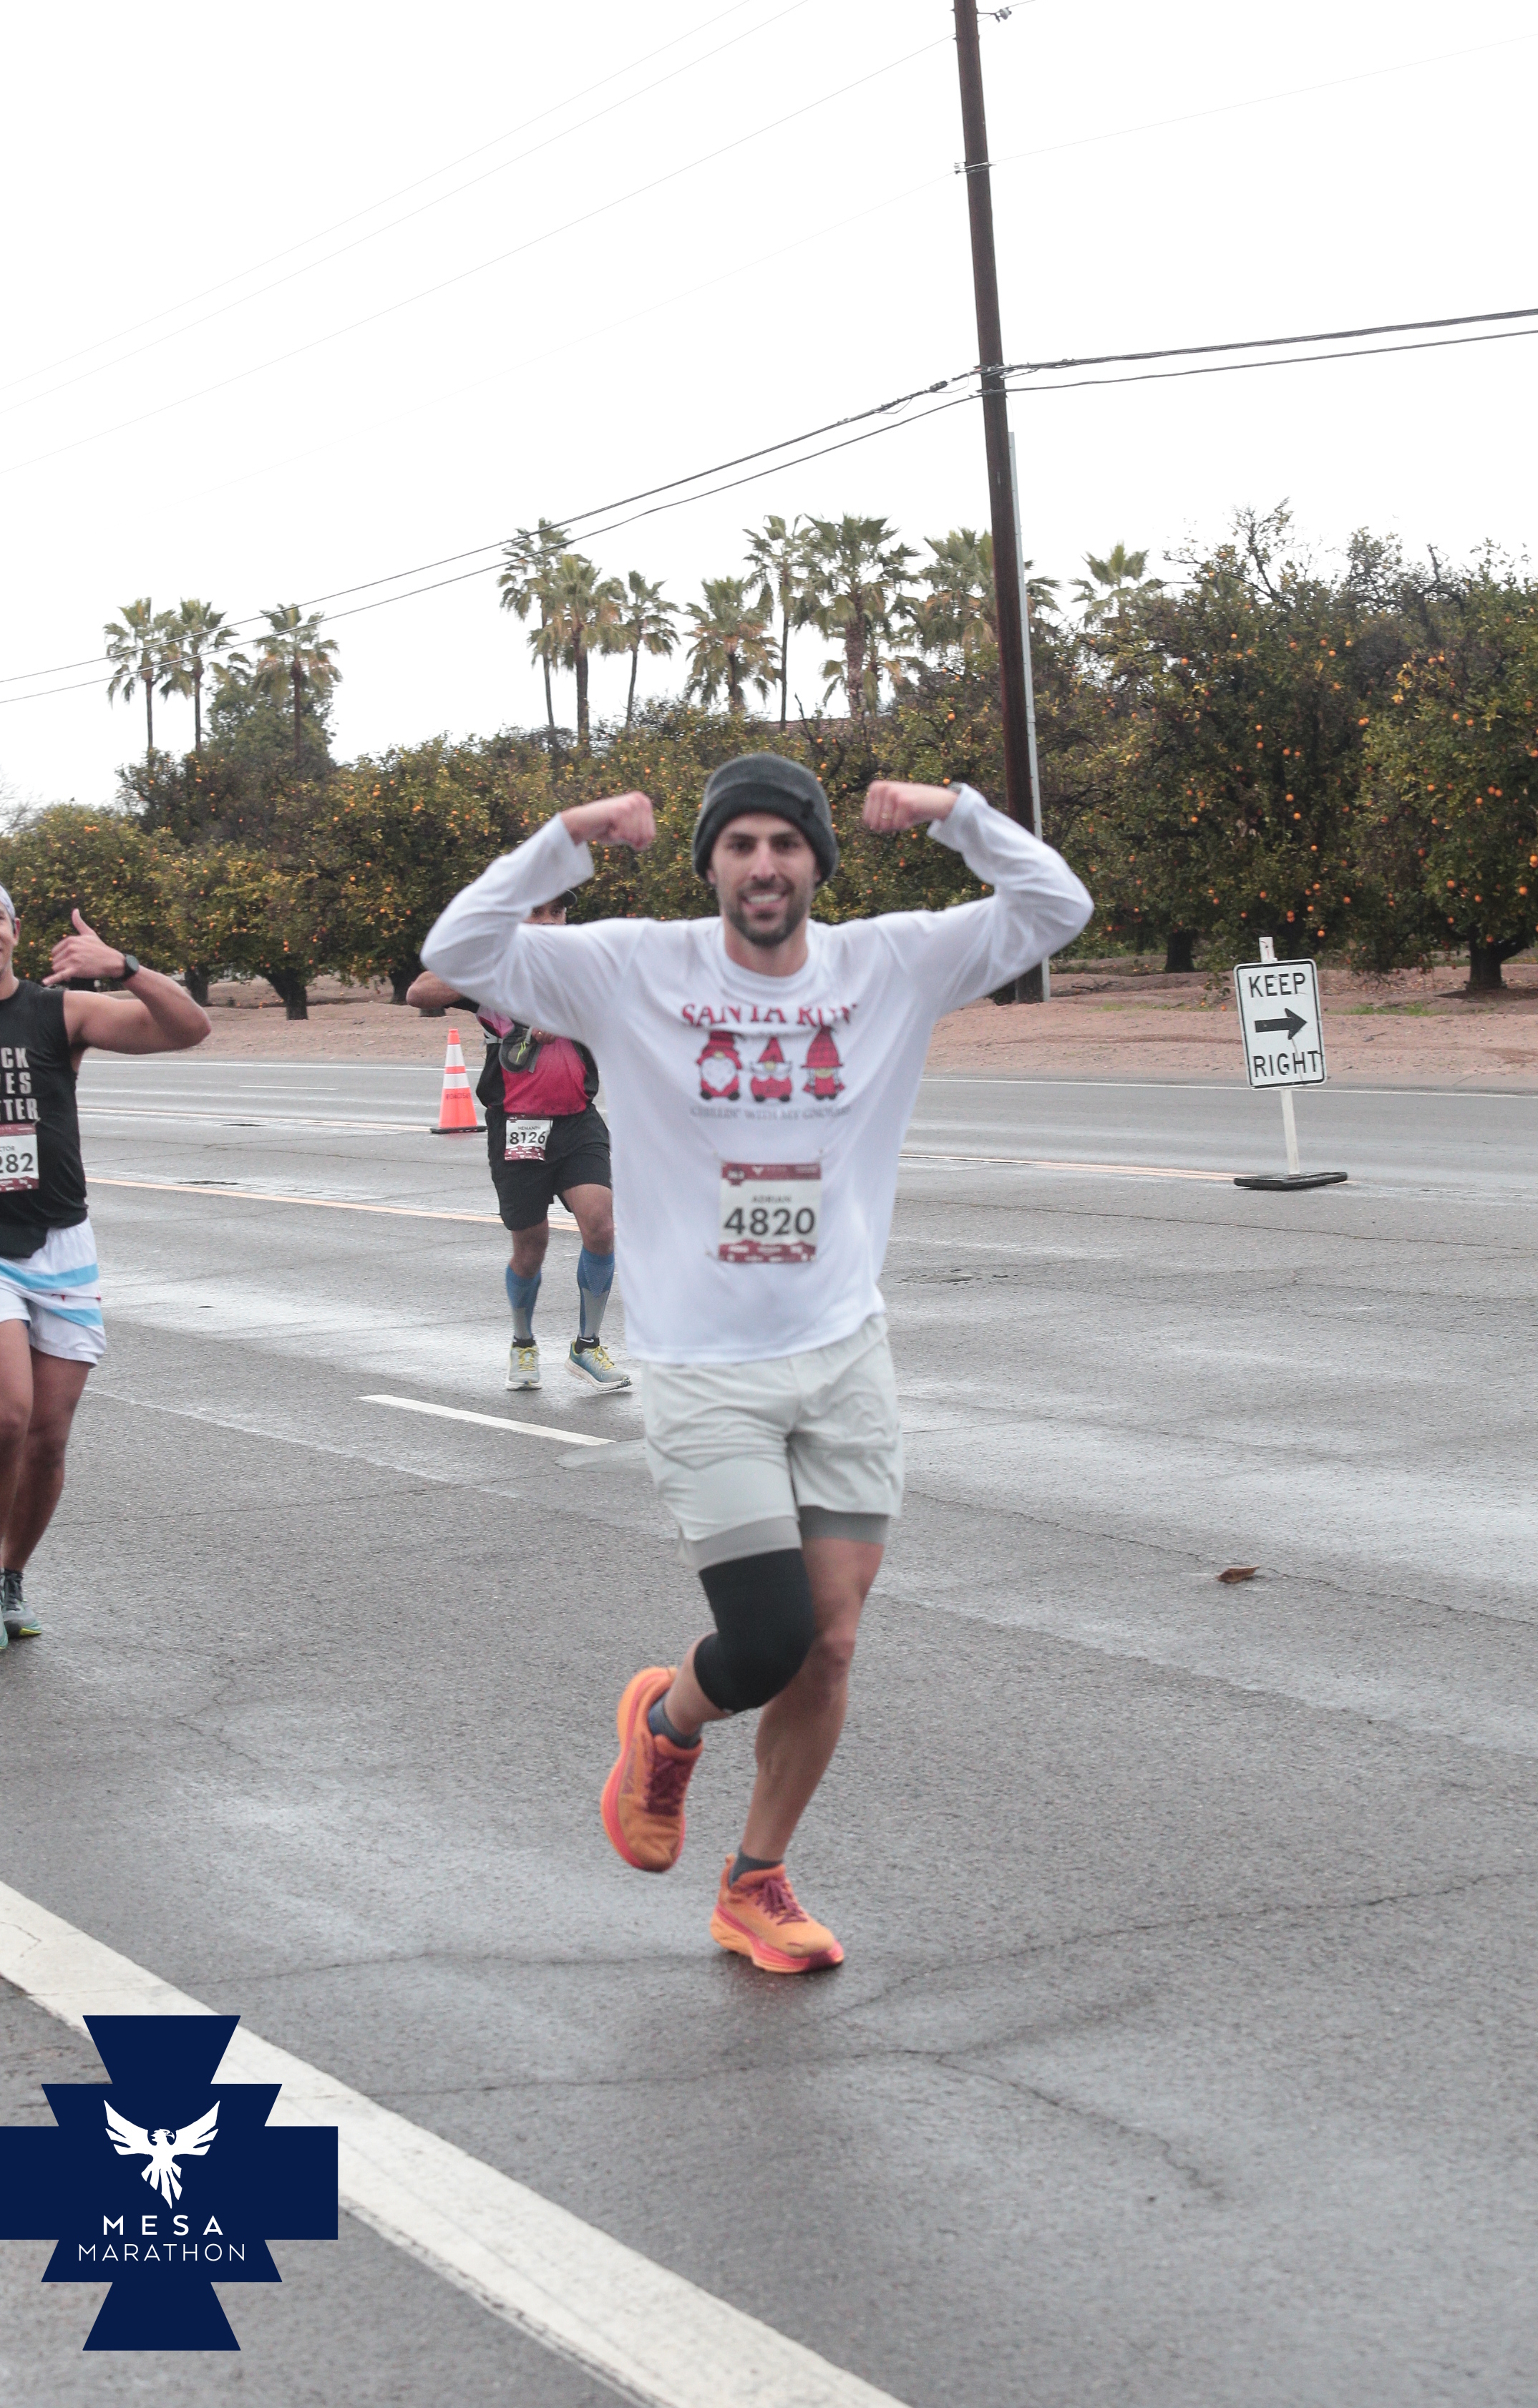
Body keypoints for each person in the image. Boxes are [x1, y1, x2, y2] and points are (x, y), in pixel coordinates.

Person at [422, 753, 1092, 1971]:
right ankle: (668, 1721)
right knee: (772, 1636)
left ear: (816, 861)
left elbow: (1056, 907)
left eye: (787, 843)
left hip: (842, 1354)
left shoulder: (888, 963)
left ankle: (754, 1881)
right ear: (712, 865)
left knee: (830, 1644)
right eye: (740, 845)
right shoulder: (634, 968)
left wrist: (955, 816)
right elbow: (459, 949)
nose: (765, 866)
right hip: (704, 1366)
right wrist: (568, 837)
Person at [0, 878, 210, 1653]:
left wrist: (125, 967)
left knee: (48, 1435)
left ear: (16, 930)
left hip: (62, 1244)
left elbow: (189, 1028)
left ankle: (13, 1578)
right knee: (7, 1415)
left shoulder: (62, 1011)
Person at [407, 895, 628, 1393]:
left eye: (558, 912)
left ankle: (587, 1346)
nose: (548, 922)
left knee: (601, 1225)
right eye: (536, 912)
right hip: (517, 1126)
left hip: (577, 1122)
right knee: (531, 1247)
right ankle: (523, 1344)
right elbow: (419, 992)